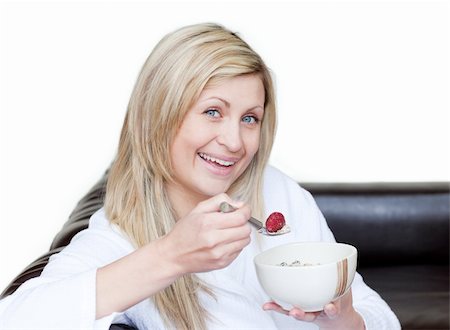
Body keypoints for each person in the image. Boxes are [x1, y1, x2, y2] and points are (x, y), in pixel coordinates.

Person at [0, 23, 400, 330]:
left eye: (249, 119)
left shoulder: (276, 193)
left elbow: (377, 314)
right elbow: (14, 319)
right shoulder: (119, 237)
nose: (234, 141)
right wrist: (172, 255)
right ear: (159, 114)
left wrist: (341, 320)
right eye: (212, 111)